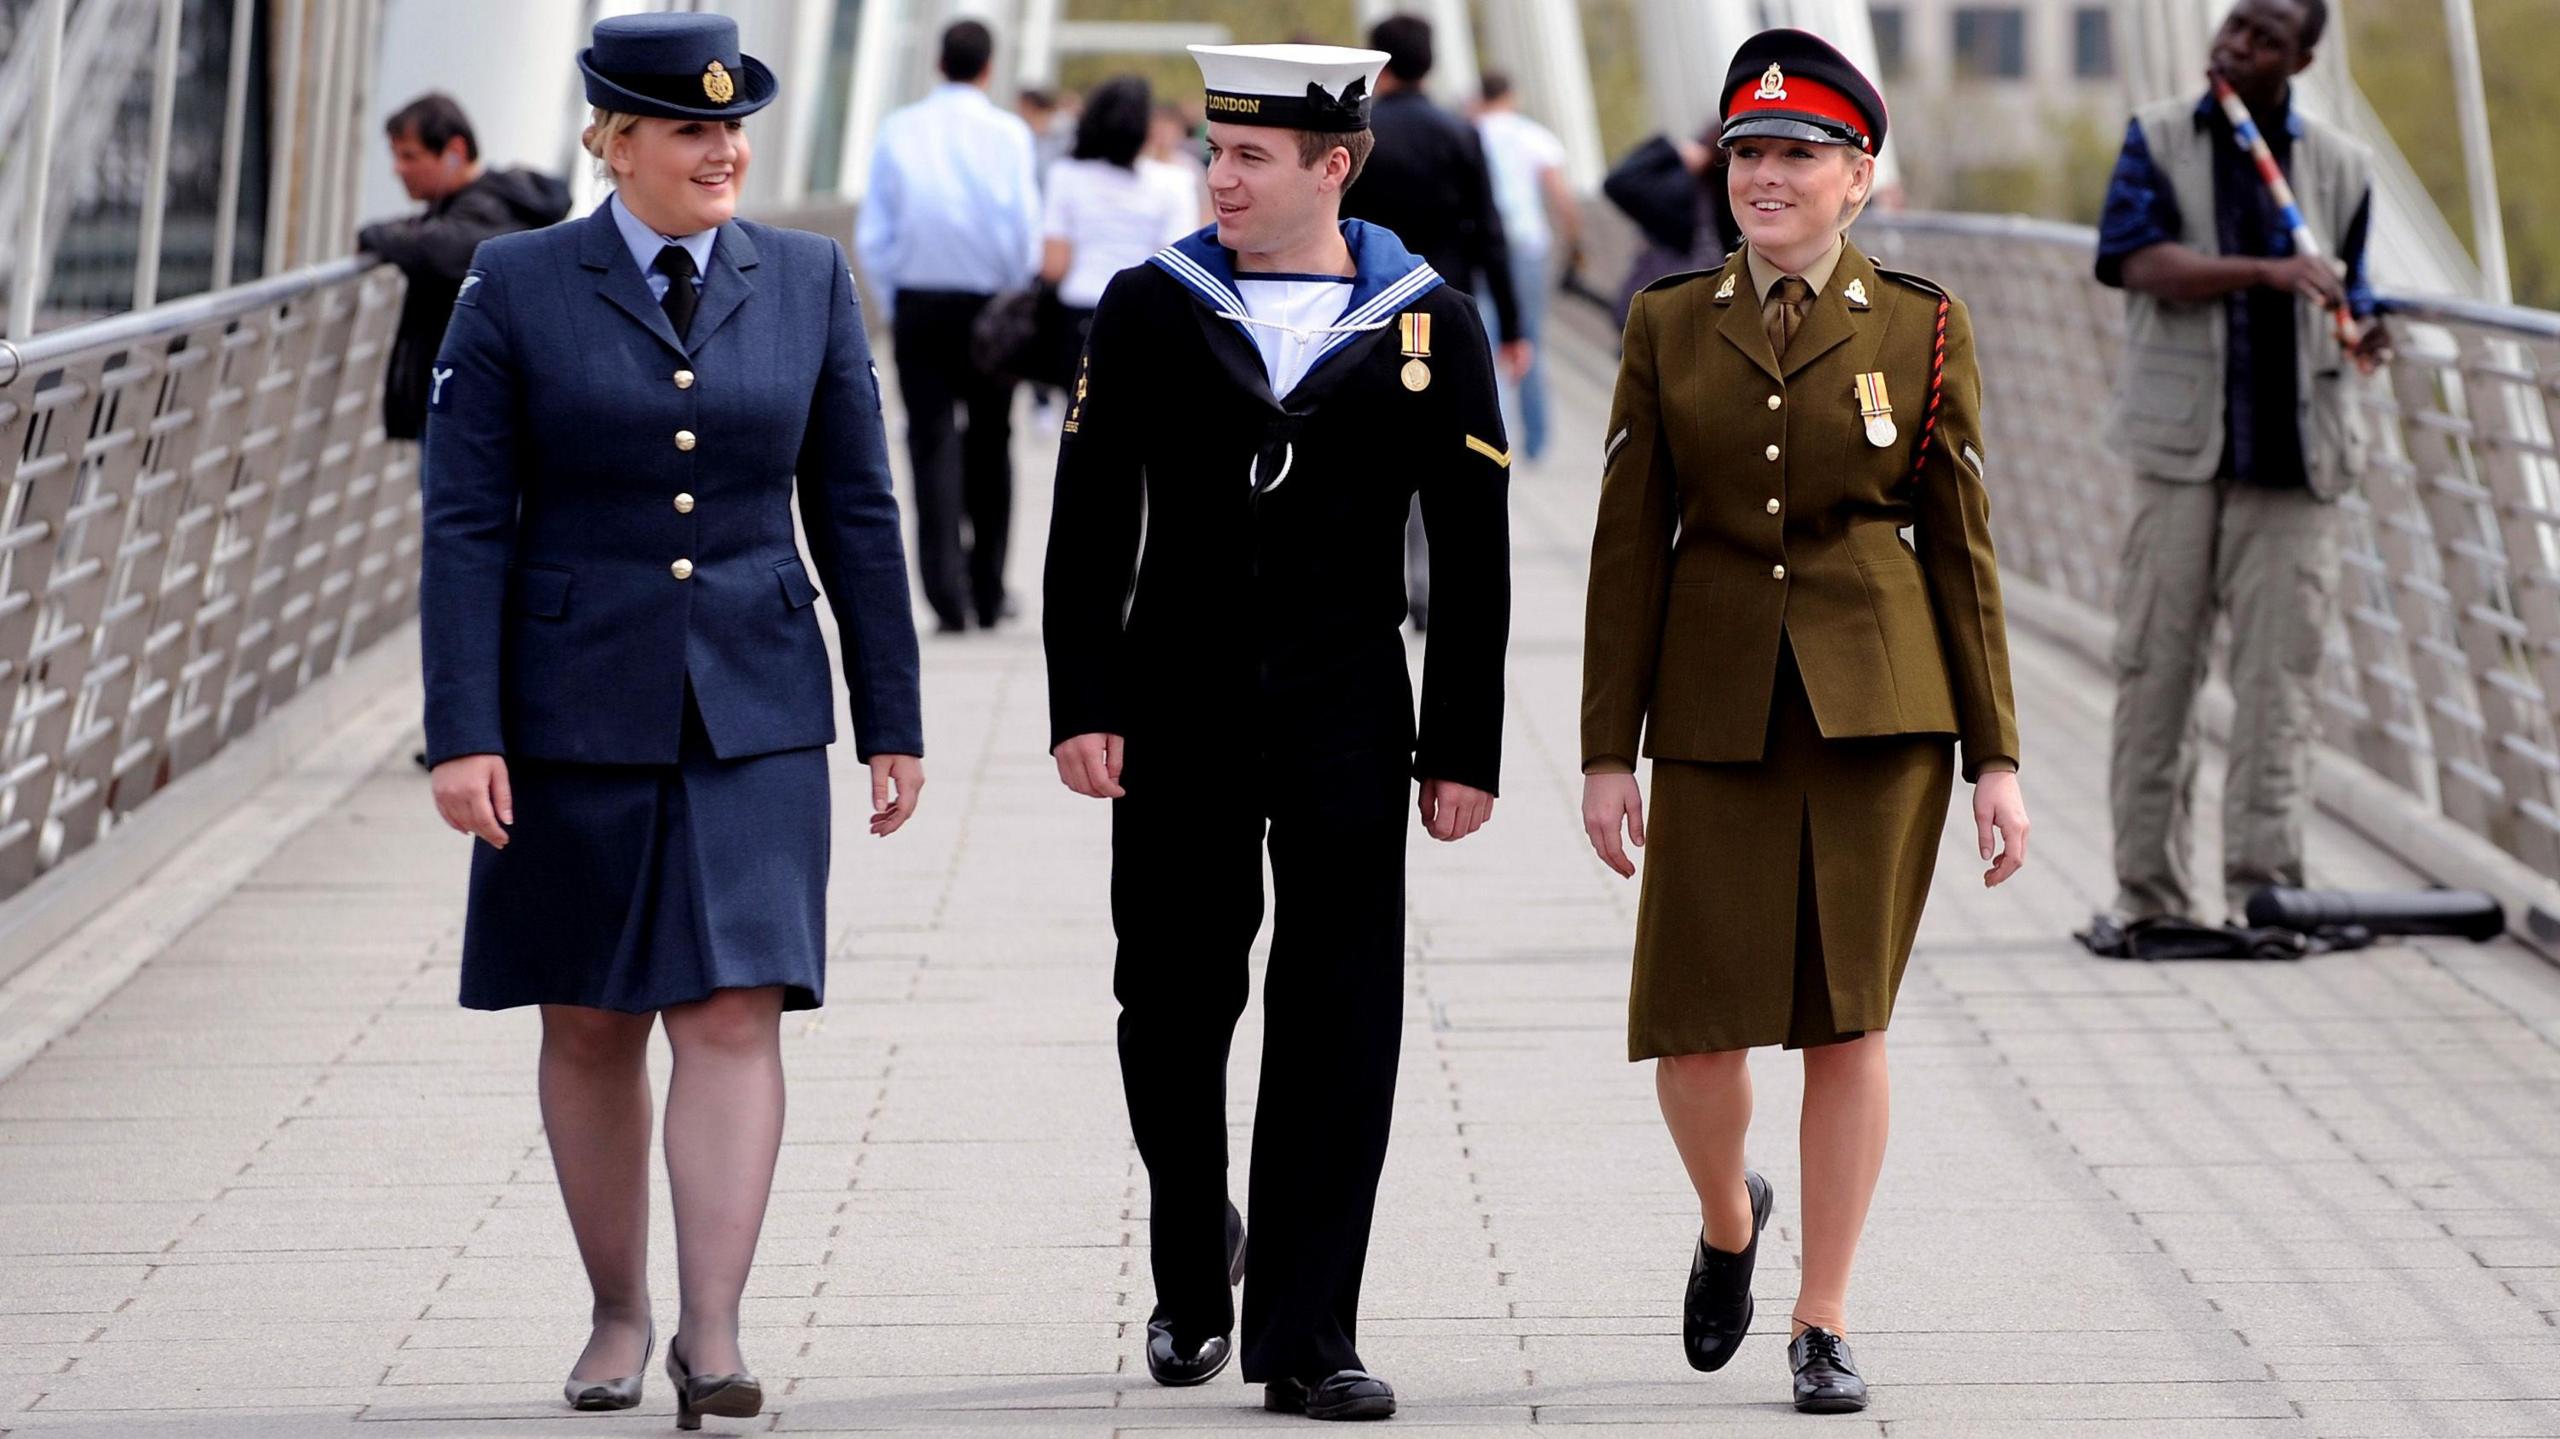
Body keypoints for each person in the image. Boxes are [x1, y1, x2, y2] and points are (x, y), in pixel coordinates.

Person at [418, 12, 925, 1429]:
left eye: (735, 126)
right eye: (692, 129)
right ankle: (617, 1311)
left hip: (757, 704)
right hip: (569, 706)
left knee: (734, 1003)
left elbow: (861, 513)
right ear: (615, 140)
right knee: (588, 1016)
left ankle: (713, 1330)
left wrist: (892, 712)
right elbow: (461, 523)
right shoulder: (513, 285)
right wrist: (463, 729)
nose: (725, 150)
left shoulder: (814, 279)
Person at [1043, 41, 1511, 1422]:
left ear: (1335, 165)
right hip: (1175, 709)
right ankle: (1197, 1252)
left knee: (1340, 1015)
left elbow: (1474, 555)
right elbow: (1087, 522)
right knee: (1173, 1008)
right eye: (1214, 151)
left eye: (1251, 156)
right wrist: (1085, 701)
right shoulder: (1147, 305)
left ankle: (1309, 1335)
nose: (1220, 176)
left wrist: (1465, 746)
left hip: (1349, 714)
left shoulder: (1430, 325)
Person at [1578, 29, 2028, 1414]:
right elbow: (1627, 545)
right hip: (1712, 701)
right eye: (1748, 153)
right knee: (1696, 1031)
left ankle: (1822, 1315)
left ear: (1860, 178)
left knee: (1847, 1023)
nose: (1766, 175)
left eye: (1798, 155)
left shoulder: (1922, 321)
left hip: (1881, 709)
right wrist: (1605, 747)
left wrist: (1999, 757)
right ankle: (1730, 1216)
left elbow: (1961, 544)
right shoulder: (1665, 320)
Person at [2095, 0, 2386, 927]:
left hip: (2299, 461)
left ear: (2297, 60)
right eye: (2231, 26)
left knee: (2279, 686)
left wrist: (2366, 324)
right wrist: (2262, 273)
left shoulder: (2344, 166)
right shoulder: (2156, 138)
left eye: (2262, 37)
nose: (2233, 45)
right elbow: (2134, 260)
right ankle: (2152, 900)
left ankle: (2268, 894)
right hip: (2183, 454)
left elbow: (2356, 282)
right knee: (2156, 674)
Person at [1339, 14, 1529, 630]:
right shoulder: (1459, 132)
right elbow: (1490, 231)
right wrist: (1515, 327)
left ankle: (1376, 580)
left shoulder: (1361, 133)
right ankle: (1427, 586)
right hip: (1445, 308)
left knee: (1368, 446)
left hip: (1365, 306)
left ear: (1378, 64)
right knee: (1442, 449)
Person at [856, 19, 1042, 633]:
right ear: (988, 69)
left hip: (920, 305)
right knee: (993, 444)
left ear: (939, 62)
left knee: (929, 444)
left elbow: (875, 234)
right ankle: (988, 591)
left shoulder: (899, 128)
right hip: (991, 306)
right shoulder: (1009, 134)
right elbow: (1023, 230)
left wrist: (895, 299)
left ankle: (945, 597)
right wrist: (1016, 296)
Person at [357, 93, 569, 443]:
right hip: (477, 403)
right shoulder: (491, 205)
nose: (398, 169)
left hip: (475, 410)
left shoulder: (489, 210)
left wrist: (373, 235)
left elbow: (439, 250)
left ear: (454, 151)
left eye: (409, 156)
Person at [1039, 76, 1197, 381]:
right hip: (1143, 316)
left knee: (1077, 419)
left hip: (1080, 309)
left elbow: (1053, 266)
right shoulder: (1175, 183)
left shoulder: (1066, 175)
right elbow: (1175, 267)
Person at [1472, 72, 1580, 462]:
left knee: (1485, 341)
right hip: (1530, 248)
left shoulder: (1471, 133)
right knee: (1529, 338)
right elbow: (1560, 194)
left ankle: (1492, 437)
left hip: (1485, 249)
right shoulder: (1533, 136)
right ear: (1511, 95)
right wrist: (1574, 240)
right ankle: (1536, 440)